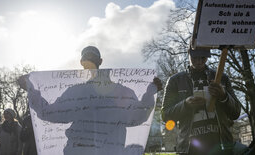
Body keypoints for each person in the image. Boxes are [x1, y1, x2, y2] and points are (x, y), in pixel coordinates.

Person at [20, 46, 162, 155]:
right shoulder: (118, 92)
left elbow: (137, 117)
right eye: (88, 58)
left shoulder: (76, 92)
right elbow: (138, 116)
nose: (90, 62)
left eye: (90, 58)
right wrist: (31, 90)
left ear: (84, 63)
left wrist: (151, 92)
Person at [161, 48, 241, 154]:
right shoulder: (175, 81)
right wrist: (185, 104)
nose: (199, 61)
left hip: (221, 146)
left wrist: (224, 96)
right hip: (189, 149)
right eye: (195, 57)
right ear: (189, 54)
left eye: (203, 57)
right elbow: (165, 115)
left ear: (207, 56)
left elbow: (236, 113)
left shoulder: (222, 78)